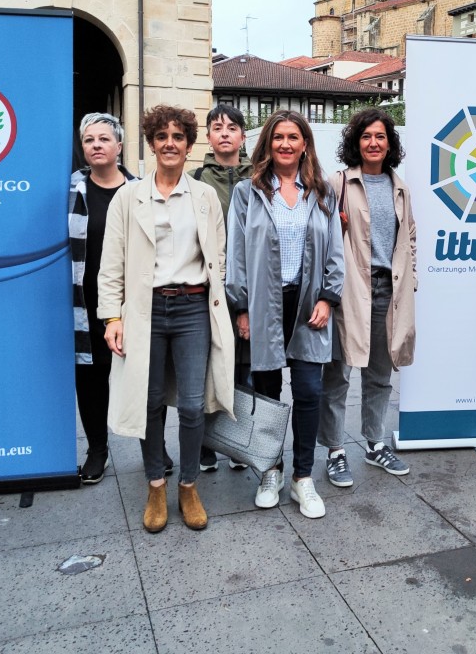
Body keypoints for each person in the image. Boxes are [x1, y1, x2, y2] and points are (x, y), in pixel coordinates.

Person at [98, 105, 235, 534]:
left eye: (178, 137)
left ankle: (189, 485)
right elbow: (112, 263)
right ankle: (157, 484)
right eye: (162, 136)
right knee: (149, 399)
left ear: (189, 145)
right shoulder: (129, 197)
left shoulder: (205, 196)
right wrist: (111, 317)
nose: (170, 143)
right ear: (152, 143)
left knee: (194, 404)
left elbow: (220, 256)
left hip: (194, 307)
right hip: (146, 311)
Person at [225, 109, 344, 519]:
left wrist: (329, 297)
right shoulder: (248, 192)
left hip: (309, 305)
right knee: (267, 392)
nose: (286, 144)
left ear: (305, 143)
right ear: (268, 144)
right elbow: (236, 255)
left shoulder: (323, 192)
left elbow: (335, 251)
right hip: (264, 305)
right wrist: (240, 306)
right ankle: (270, 470)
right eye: (278, 137)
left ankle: (303, 478)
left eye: (293, 136)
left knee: (310, 390)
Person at [320, 108, 416, 487]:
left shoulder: (400, 187)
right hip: (348, 293)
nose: (374, 143)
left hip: (387, 293)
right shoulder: (338, 183)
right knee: (338, 377)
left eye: (380, 136)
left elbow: (410, 237)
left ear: (389, 144)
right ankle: (335, 451)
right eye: (366, 136)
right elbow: (322, 235)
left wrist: (412, 281)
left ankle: (375, 444)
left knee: (379, 375)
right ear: (355, 143)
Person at [69, 113, 137, 485]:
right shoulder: (70, 192)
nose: (96, 145)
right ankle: (97, 449)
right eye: (89, 140)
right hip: (85, 301)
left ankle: (153, 445)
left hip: (133, 304)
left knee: (142, 377)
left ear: (119, 147)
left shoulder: (140, 190)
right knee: (90, 378)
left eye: (104, 139)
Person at [194, 103, 253, 473]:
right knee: (206, 365)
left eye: (232, 127)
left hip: (248, 284)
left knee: (243, 369)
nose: (225, 132)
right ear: (209, 136)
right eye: (218, 127)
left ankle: (237, 442)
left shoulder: (259, 174)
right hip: (209, 286)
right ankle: (204, 444)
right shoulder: (197, 178)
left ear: (243, 136)